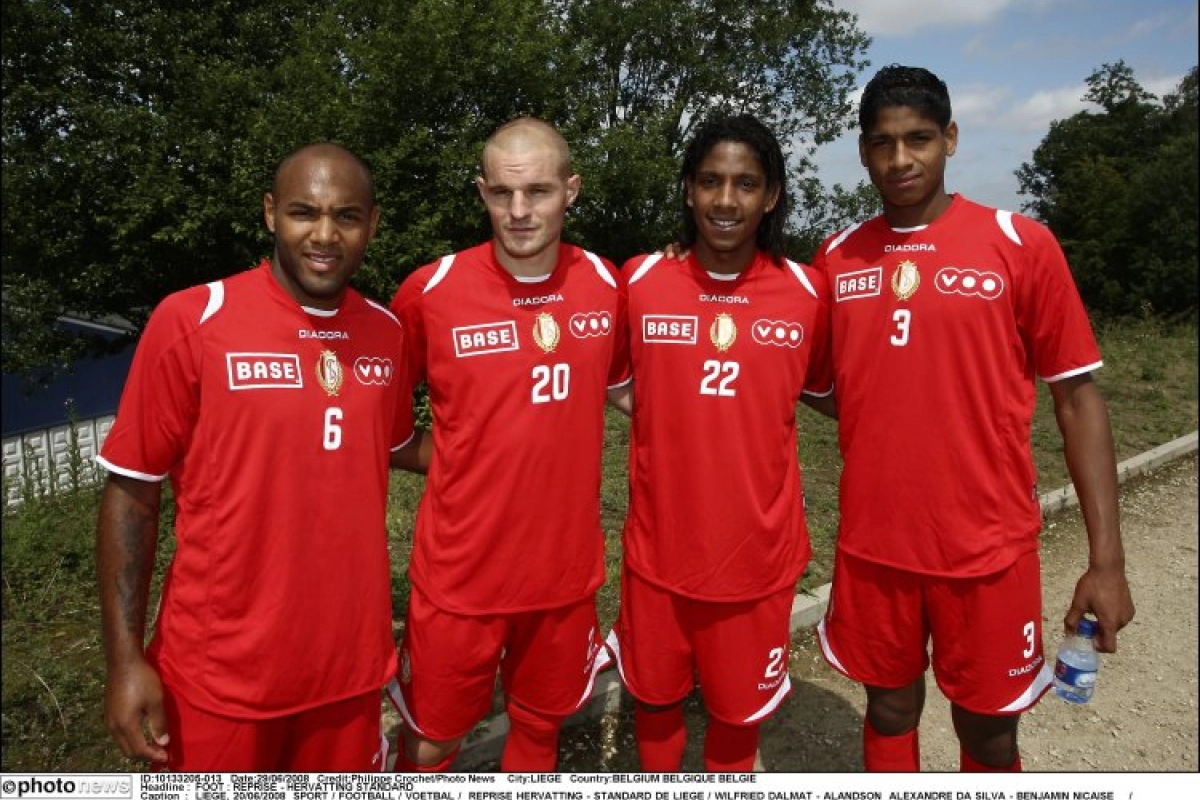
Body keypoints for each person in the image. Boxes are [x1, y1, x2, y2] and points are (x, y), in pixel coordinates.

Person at [810, 65, 1136, 772]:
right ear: (863, 151)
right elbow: (823, 383)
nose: (901, 160)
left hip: (985, 551)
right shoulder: (837, 258)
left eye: (919, 138)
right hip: (875, 547)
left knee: (989, 729)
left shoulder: (1020, 244)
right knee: (891, 708)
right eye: (883, 143)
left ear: (950, 138)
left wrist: (1106, 561)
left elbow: (1077, 400)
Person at [95, 143, 414, 770]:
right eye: (303, 212)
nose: (324, 235)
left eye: (346, 216)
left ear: (372, 224)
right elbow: (132, 493)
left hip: (348, 669)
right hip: (220, 677)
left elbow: (404, 446)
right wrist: (124, 661)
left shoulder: (387, 331)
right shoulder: (192, 319)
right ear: (271, 214)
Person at [386, 117, 628, 772]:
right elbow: (373, 419)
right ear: (481, 192)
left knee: (540, 726)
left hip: (564, 577)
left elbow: (634, 392)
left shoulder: (608, 286)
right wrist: (447, 457)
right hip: (459, 579)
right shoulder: (429, 291)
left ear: (571, 190)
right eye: (502, 193)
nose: (520, 211)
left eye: (540, 192)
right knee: (433, 739)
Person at [607, 114, 832, 772]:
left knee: (738, 719)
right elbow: (617, 381)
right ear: (687, 190)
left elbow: (836, 392)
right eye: (710, 181)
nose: (726, 201)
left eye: (745, 183)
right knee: (655, 705)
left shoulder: (808, 292)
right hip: (659, 556)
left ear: (772, 195)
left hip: (757, 562)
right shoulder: (640, 281)